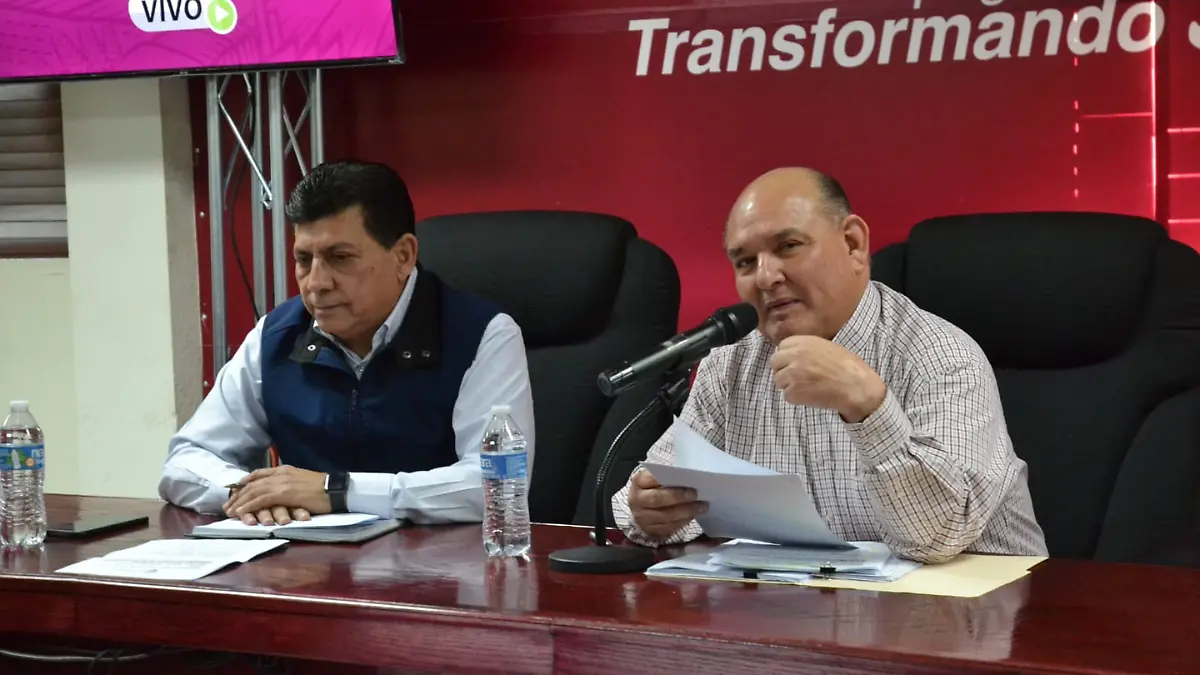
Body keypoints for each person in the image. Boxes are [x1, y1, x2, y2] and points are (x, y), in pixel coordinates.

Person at [611, 167, 1046, 564]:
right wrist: (654, 512)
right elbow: (648, 492)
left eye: (788, 246)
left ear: (853, 244)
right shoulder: (730, 366)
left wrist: (867, 406)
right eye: (745, 262)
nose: (765, 277)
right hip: (803, 608)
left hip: (979, 611)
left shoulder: (941, 355)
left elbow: (939, 539)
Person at [159, 160, 535, 526]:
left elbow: (495, 485)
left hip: (437, 563)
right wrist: (253, 495)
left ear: (403, 256)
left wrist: (337, 491)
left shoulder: (482, 335)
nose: (316, 283)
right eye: (303, 260)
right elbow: (185, 460)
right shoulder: (275, 337)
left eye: (340, 258)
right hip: (304, 561)